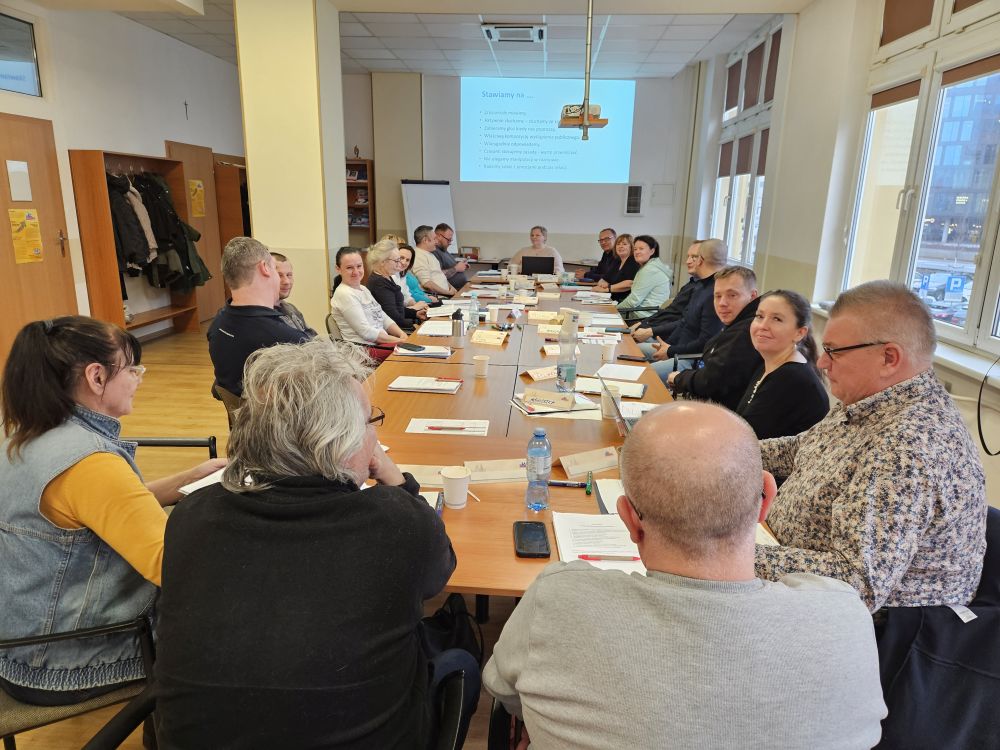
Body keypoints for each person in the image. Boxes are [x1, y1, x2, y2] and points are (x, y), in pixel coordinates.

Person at [483, 402, 886, 749]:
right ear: (765, 500)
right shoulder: (844, 617)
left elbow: (502, 688)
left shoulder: (557, 600)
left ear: (630, 520)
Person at [154, 338, 480, 748]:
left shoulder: (191, 515)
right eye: (369, 423)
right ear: (340, 440)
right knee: (460, 658)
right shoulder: (397, 521)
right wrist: (397, 480)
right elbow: (438, 573)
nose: (374, 437)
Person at [0, 316, 224, 706]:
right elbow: (176, 567)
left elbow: (95, 510)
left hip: (21, 644)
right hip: (65, 661)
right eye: (133, 369)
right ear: (97, 377)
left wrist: (190, 478)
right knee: (229, 606)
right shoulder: (90, 462)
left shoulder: (22, 434)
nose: (139, 378)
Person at [756, 281, 987, 612]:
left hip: (858, 626)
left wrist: (733, 556)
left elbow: (855, 583)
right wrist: (726, 450)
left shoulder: (909, 443)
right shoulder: (870, 401)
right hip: (782, 562)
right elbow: (802, 448)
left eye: (834, 351)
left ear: (888, 358)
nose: (822, 363)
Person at [208, 237, 312, 397]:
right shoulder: (286, 339)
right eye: (275, 269)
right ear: (265, 268)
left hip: (242, 412)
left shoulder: (217, 325)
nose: (284, 280)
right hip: (277, 413)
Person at [737, 290, 829, 439]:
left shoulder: (791, 379)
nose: (763, 326)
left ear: (799, 333)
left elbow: (746, 439)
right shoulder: (770, 364)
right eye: (759, 316)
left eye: (777, 319)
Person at [667, 266, 762, 408]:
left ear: (752, 296)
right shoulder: (737, 323)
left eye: (732, 295)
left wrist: (679, 377)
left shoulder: (746, 331)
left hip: (723, 412)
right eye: (717, 296)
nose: (722, 303)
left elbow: (711, 382)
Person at [642, 238, 727, 375]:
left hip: (688, 360)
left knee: (641, 375)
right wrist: (667, 346)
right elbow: (684, 322)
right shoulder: (699, 286)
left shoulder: (714, 293)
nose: (688, 261)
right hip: (676, 349)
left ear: (700, 260)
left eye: (694, 257)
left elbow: (705, 342)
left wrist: (670, 351)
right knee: (631, 349)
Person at [331, 247, 408, 361]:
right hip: (364, 351)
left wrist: (401, 334)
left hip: (379, 344)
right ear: (338, 269)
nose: (356, 272)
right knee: (409, 351)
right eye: (349, 268)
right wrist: (399, 341)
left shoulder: (363, 289)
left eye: (359, 266)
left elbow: (383, 317)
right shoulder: (344, 293)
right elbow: (366, 332)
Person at [631, 240, 704, 344]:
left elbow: (683, 322)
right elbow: (668, 311)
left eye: (694, 257)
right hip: (654, 328)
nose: (687, 261)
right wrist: (643, 323)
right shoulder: (691, 283)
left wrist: (650, 330)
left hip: (665, 339)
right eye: (688, 256)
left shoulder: (703, 290)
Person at [366, 239, 428, 331]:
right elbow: (393, 318)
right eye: (396, 260)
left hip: (401, 326)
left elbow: (397, 310)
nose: (400, 264)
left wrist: (415, 314)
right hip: (396, 331)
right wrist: (416, 322)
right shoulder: (379, 284)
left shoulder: (387, 276)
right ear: (383, 262)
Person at [615, 234, 671, 319]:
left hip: (643, 317)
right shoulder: (652, 265)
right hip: (644, 313)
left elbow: (633, 301)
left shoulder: (650, 270)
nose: (637, 252)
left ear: (652, 251)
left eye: (641, 249)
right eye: (635, 249)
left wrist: (614, 310)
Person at [270, 251, 318, 337]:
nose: (286, 282)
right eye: (279, 275)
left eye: (289, 275)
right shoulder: (265, 316)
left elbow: (312, 335)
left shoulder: (291, 308)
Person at [411, 225, 457, 297]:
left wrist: (451, 288)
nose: (437, 241)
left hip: (446, 294)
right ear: (425, 240)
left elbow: (440, 275)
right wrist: (448, 293)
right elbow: (427, 284)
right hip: (438, 297)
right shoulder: (418, 256)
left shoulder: (429, 253)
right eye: (434, 239)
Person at [591, 233, 639, 302]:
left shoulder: (633, 261)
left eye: (624, 244)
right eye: (618, 244)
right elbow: (604, 279)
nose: (620, 246)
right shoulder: (617, 261)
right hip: (611, 298)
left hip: (624, 301)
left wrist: (607, 288)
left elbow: (629, 283)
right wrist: (602, 284)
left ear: (631, 247)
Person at [433, 223, 469, 289]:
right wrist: (456, 268)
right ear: (439, 236)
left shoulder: (444, 250)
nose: (450, 243)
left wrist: (462, 266)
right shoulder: (434, 252)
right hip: (453, 292)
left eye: (451, 240)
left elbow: (452, 266)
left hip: (461, 288)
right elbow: (438, 276)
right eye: (448, 240)